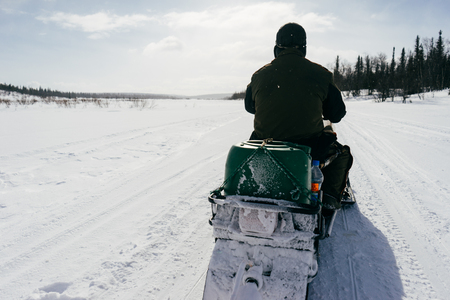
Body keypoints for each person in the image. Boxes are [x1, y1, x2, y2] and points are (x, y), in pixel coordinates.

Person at [244, 22, 353, 212]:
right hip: (307, 147)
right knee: (342, 154)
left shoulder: (258, 75)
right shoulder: (321, 75)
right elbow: (337, 114)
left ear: (277, 48)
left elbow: (249, 107)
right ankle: (328, 198)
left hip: (265, 145)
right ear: (303, 48)